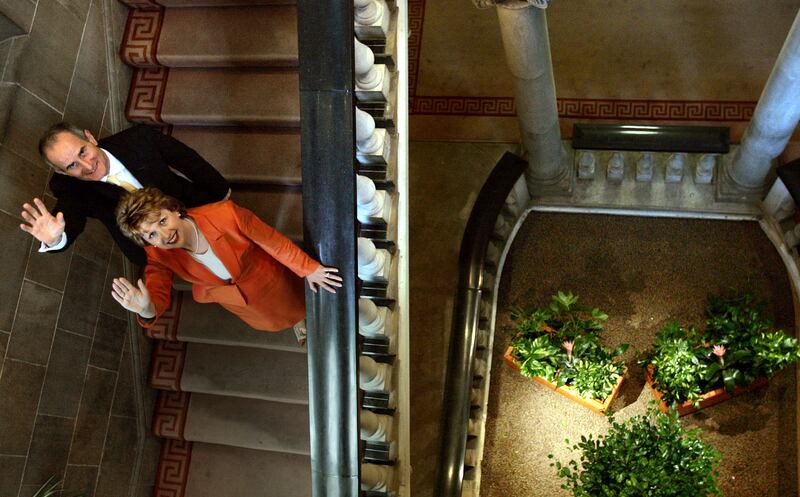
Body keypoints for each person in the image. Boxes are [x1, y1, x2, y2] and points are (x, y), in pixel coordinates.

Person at [110, 187, 341, 344]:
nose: (164, 234)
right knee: (276, 319)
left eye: (162, 221)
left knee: (300, 302)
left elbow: (273, 242)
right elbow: (157, 293)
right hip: (238, 300)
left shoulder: (225, 214)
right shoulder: (158, 254)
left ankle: (300, 316)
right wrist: (146, 309)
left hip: (269, 280)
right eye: (151, 235)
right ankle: (296, 321)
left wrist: (308, 268)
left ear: (174, 210)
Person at [20, 122, 230, 266]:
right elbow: (68, 214)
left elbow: (189, 162)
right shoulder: (70, 187)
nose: (87, 166)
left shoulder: (139, 138)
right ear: (61, 171)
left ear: (90, 138)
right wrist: (55, 239)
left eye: (83, 152)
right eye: (72, 165)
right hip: (155, 249)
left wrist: (221, 197)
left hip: (192, 207)